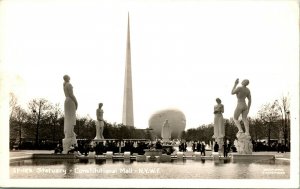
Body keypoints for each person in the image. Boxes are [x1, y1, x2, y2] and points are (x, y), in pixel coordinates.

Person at [63, 75, 78, 153]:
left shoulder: (64, 85)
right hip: (70, 101)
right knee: (71, 118)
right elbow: (72, 95)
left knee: (68, 119)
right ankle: (70, 133)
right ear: (68, 78)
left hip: (66, 101)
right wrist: (76, 102)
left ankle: (69, 133)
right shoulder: (69, 84)